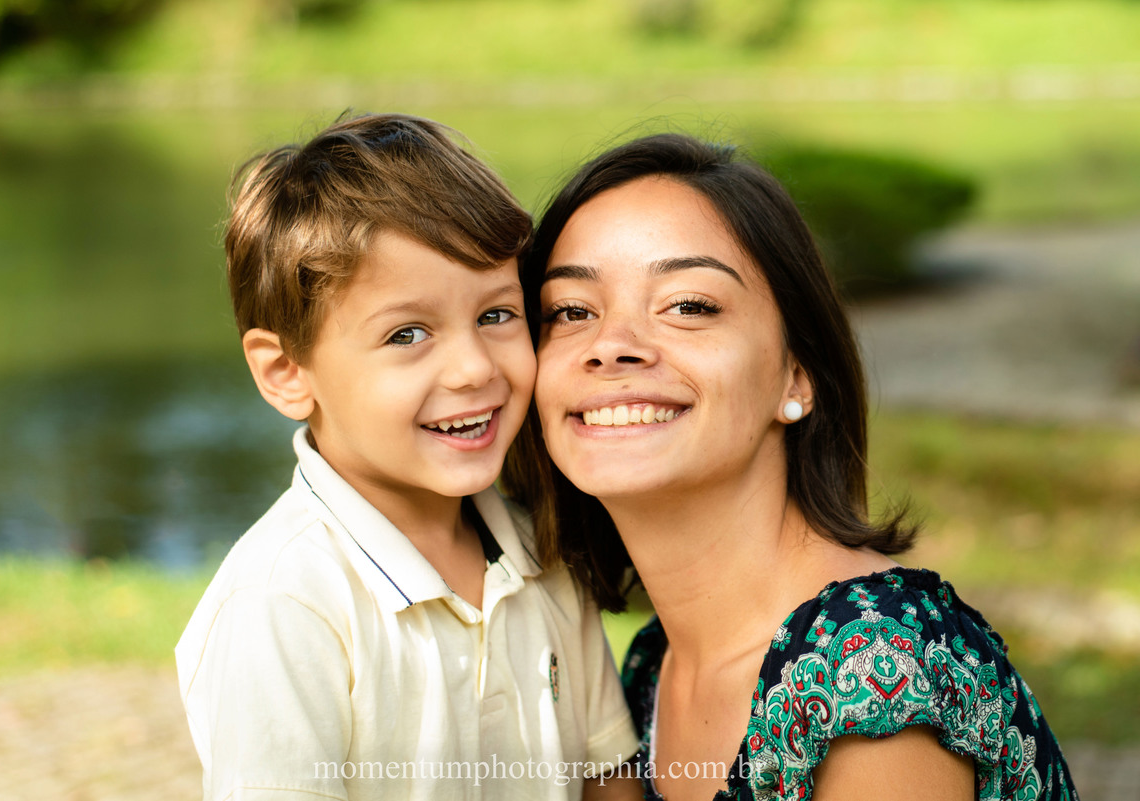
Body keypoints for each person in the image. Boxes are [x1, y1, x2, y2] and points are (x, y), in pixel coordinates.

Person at [507, 132, 1078, 800]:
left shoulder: (873, 665)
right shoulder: (648, 668)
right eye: (570, 311)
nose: (611, 346)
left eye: (688, 305)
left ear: (797, 374)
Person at [175, 112, 640, 801]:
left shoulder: (543, 559)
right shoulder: (284, 600)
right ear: (286, 372)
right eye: (408, 333)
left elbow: (609, 778)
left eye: (495, 315)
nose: (471, 369)